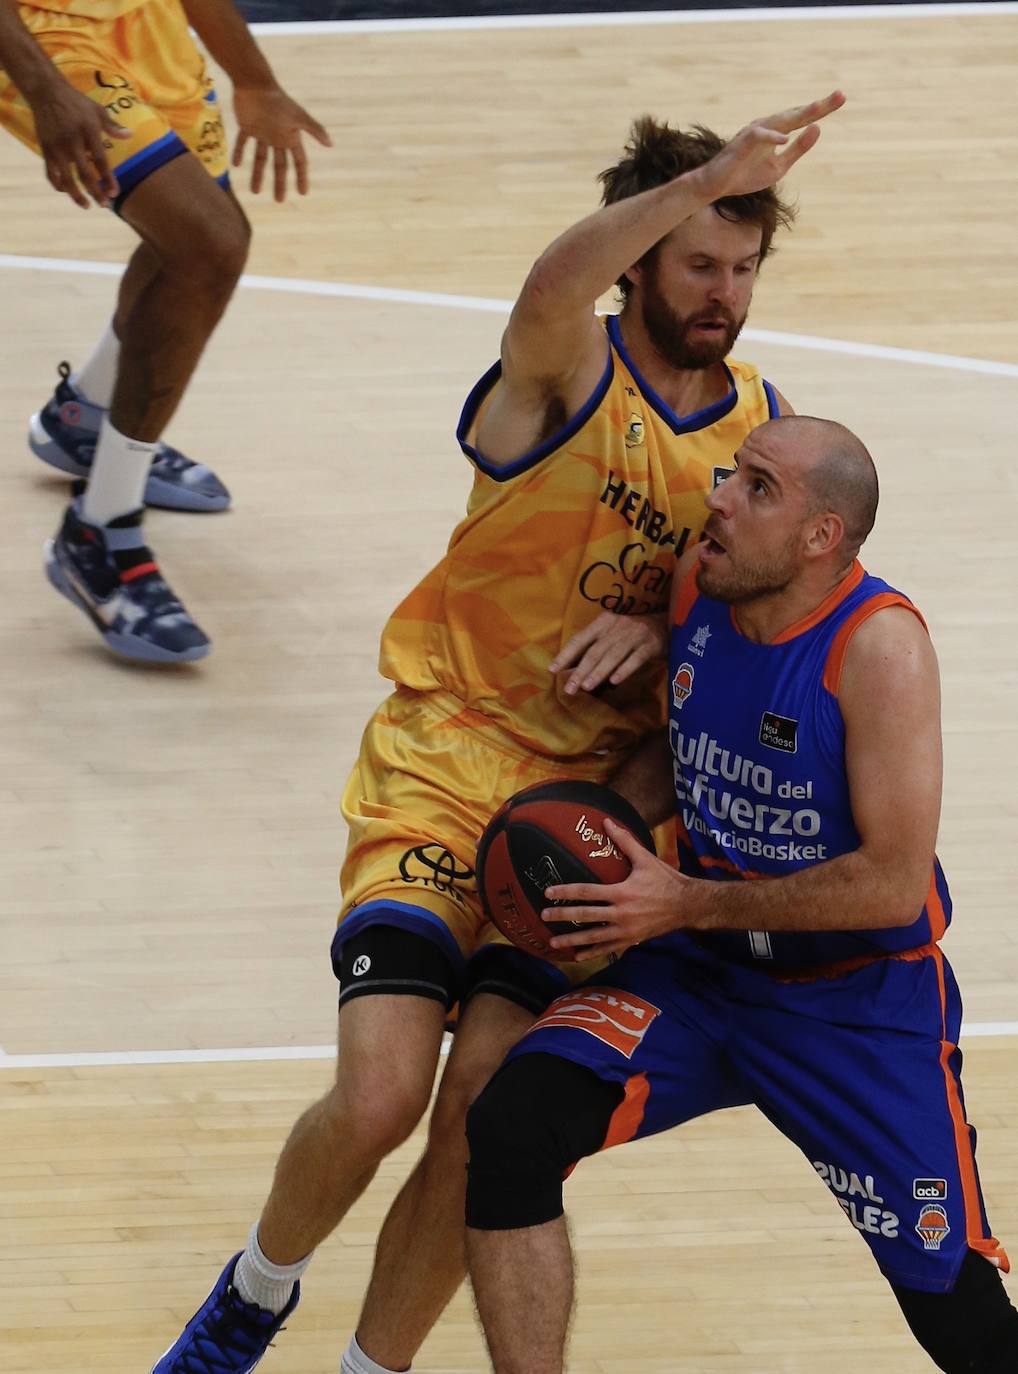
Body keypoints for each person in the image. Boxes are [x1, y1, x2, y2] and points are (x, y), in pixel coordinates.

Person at [149, 94, 845, 1374]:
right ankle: (254, 1294)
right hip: (447, 760)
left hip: (593, 811)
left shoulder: (758, 426)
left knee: (476, 1114)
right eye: (700, 261)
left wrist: (658, 623)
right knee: (377, 1098)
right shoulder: (565, 363)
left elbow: (754, 623)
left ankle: (375, 1367)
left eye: (743, 268)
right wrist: (699, 182)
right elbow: (547, 280)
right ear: (641, 256)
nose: (724, 292)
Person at [464, 414, 1018, 1374]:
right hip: (699, 978)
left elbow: (890, 884)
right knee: (511, 1128)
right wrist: (588, 850)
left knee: (962, 1320)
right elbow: (687, 750)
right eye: (732, 472)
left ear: (821, 539)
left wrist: (682, 903)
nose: (718, 497)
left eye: (757, 487)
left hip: (853, 1003)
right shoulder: (700, 585)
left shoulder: (879, 651)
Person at [0, 0, 330, 662]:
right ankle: (99, 531)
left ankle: (83, 417)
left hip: (148, 23)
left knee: (188, 237)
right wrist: (44, 89)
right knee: (210, 244)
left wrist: (254, 78)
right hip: (43, 31)